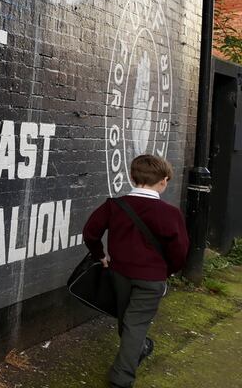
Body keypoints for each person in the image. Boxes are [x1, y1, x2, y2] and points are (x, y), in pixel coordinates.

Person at [82, 154, 189, 388]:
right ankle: (121, 380)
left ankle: (136, 352)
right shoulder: (170, 213)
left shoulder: (113, 206)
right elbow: (180, 251)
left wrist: (101, 255)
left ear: (132, 177)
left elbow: (90, 232)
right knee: (135, 324)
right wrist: (166, 271)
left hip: (120, 274)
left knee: (127, 320)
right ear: (164, 180)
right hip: (152, 278)